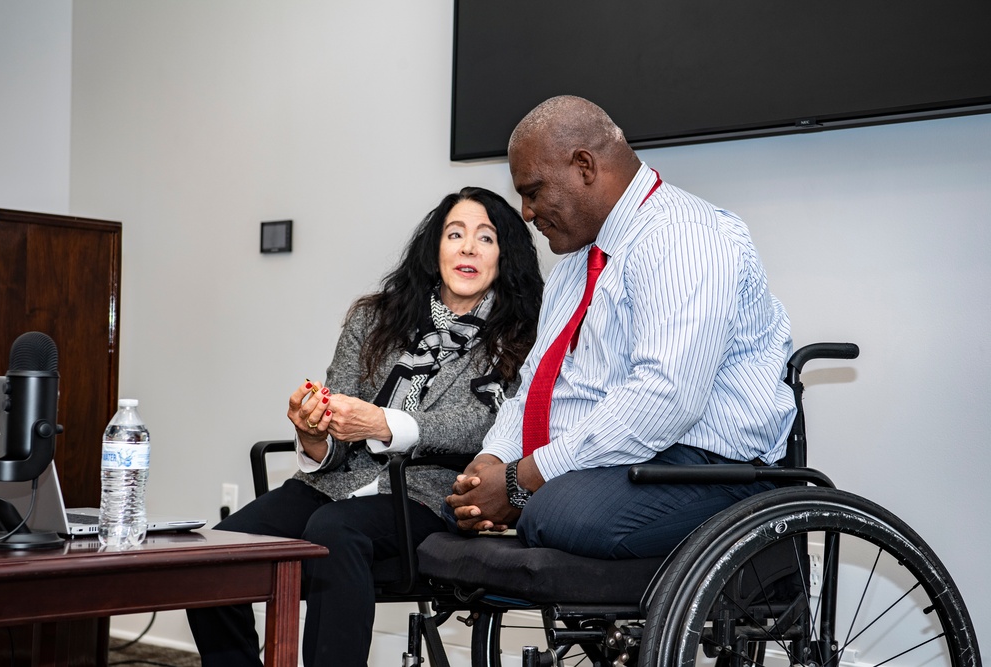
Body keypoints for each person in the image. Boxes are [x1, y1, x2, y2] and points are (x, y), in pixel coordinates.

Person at [187, 186, 543, 667]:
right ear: (433, 247)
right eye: (454, 234)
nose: (467, 248)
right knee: (211, 558)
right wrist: (314, 434)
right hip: (331, 482)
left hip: (428, 495)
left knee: (334, 530)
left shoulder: (520, 335)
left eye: (486, 237)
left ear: (506, 256)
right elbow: (335, 422)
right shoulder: (375, 317)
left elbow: (488, 424)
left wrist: (384, 422)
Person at [446, 96, 796, 560]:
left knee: (551, 514)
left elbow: (665, 398)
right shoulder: (577, 265)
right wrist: (492, 463)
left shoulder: (684, 235)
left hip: (711, 469)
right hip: (617, 464)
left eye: (532, 191)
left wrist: (521, 481)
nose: (526, 213)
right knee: (480, 510)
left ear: (584, 166)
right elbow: (536, 385)